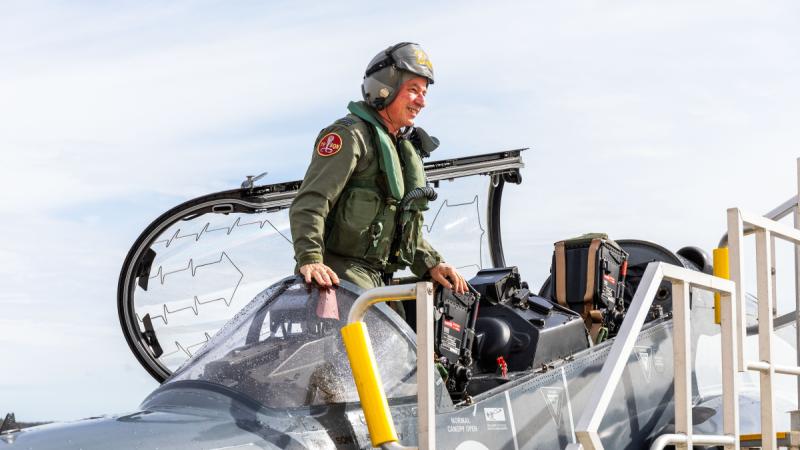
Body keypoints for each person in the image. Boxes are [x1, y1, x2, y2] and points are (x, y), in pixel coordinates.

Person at [289, 42, 467, 301]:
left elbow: (397, 227)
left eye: (424, 93)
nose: (422, 102)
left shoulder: (399, 148)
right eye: (413, 90)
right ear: (385, 88)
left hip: (375, 278)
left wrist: (431, 263)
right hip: (338, 275)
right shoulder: (349, 136)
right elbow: (311, 202)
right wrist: (310, 259)